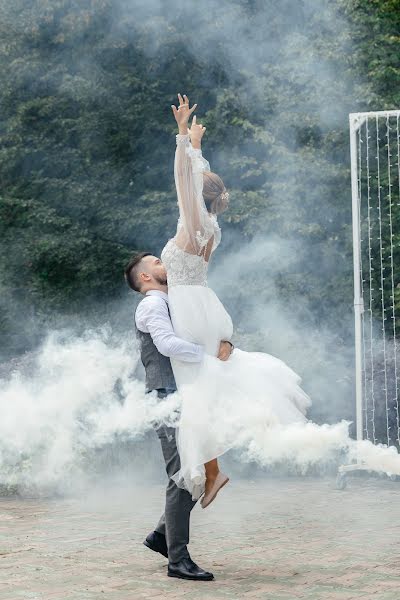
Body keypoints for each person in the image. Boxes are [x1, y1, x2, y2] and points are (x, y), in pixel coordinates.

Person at [157, 93, 312, 503]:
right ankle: (213, 471)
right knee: (206, 388)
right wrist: (197, 147)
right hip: (204, 305)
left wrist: (181, 139)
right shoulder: (211, 225)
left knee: (197, 393)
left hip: (190, 310)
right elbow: (197, 182)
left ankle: (212, 472)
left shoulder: (194, 224)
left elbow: (184, 183)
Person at [124, 252, 232, 581]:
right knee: (181, 477)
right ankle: (177, 560)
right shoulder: (152, 305)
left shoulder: (175, 302)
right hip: (166, 398)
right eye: (156, 262)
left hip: (184, 395)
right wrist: (209, 355)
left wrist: (223, 342)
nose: (164, 263)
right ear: (144, 277)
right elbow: (168, 344)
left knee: (194, 470)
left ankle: (161, 535)